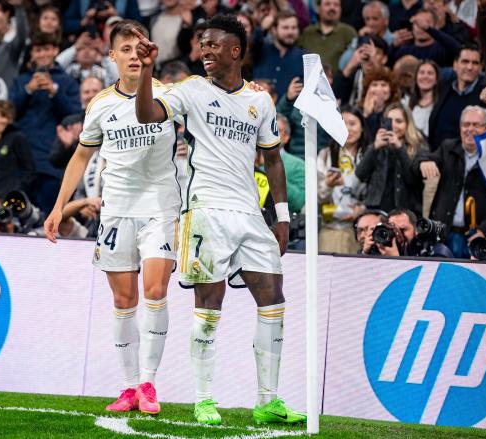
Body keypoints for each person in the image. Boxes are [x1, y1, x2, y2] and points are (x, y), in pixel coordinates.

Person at [133, 14, 305, 426]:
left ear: (235, 51)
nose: (204, 51)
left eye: (212, 45)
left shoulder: (260, 100)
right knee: (209, 304)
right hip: (205, 209)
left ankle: (267, 401)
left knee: (273, 299)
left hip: (249, 213)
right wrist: (146, 72)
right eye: (201, 45)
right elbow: (146, 115)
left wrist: (281, 217)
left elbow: (273, 160)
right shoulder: (191, 91)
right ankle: (204, 399)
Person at [44, 20, 181, 416]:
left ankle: (148, 382)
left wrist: (250, 87)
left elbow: (209, 95)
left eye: (140, 48)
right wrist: (58, 207)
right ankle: (127, 388)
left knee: (155, 291)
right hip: (117, 211)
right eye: (125, 49)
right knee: (123, 300)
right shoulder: (101, 103)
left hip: (160, 208)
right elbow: (81, 157)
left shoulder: (168, 94)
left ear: (149, 51)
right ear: (112, 56)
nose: (133, 56)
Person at [416, 105, 486, 258]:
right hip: (445, 234)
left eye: (476, 125)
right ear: (460, 127)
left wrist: (484, 229)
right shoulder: (448, 147)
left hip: (479, 238)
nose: (470, 129)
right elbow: (420, 162)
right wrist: (423, 162)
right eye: (466, 124)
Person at [10, 31, 81, 213]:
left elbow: (75, 117)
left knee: (48, 219)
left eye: (46, 49)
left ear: (55, 51)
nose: (42, 54)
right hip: (20, 165)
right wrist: (28, 90)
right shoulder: (21, 81)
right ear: (32, 53)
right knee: (17, 219)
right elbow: (8, 114)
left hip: (52, 165)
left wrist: (54, 92)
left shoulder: (68, 82)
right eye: (38, 50)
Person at [355, 102, 427, 215]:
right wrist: (374, 148)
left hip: (405, 212)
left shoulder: (418, 147)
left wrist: (399, 148)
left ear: (408, 124)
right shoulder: (377, 145)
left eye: (399, 121)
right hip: (375, 210)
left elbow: (412, 180)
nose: (393, 125)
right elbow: (360, 174)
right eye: (389, 120)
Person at [318, 105, 368, 254]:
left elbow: (376, 194)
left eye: (352, 124)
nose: (347, 129)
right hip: (330, 229)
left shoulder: (368, 157)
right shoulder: (325, 155)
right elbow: (314, 197)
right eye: (343, 123)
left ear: (362, 127)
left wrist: (361, 210)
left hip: (360, 232)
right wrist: (328, 184)